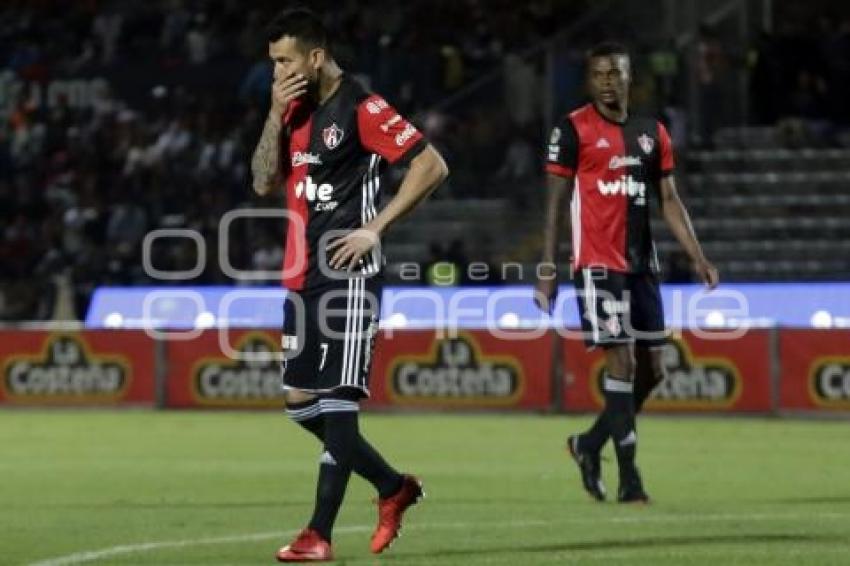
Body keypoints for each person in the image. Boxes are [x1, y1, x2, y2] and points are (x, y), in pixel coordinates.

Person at [250, 8, 449, 562]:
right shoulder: (290, 111)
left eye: (285, 61)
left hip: (346, 275)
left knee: (338, 401)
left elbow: (430, 165)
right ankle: (392, 486)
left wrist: (373, 227)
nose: (278, 72)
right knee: (299, 405)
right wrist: (272, 112)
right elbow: (263, 178)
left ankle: (318, 533)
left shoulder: (362, 106)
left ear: (315, 57)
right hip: (299, 275)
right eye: (273, 64)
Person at [534, 42, 718, 503]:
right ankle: (630, 480)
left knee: (654, 370)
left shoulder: (651, 132)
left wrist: (697, 256)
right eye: (599, 75)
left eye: (615, 73)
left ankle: (589, 445)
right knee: (624, 361)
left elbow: (669, 200)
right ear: (589, 80)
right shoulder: (572, 129)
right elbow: (556, 204)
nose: (608, 82)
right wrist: (547, 267)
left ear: (629, 76)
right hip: (597, 264)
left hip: (642, 265)